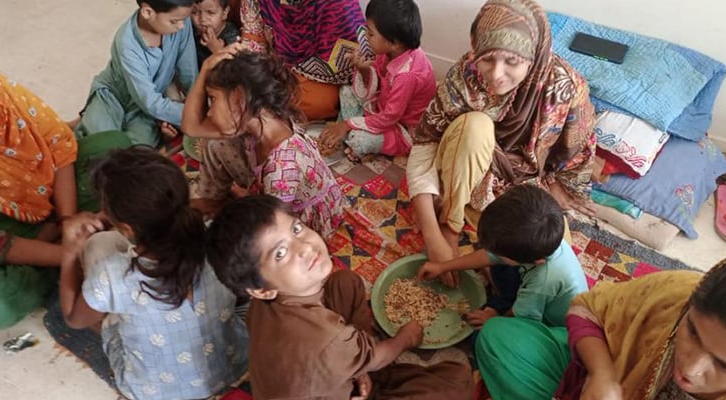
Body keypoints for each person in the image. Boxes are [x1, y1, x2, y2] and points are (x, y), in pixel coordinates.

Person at [206, 195, 473, 399]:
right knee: (456, 380)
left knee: (345, 283)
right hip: (338, 382)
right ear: (262, 288)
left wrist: (358, 366)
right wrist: (406, 338)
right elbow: (371, 353)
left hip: (324, 362)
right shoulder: (327, 339)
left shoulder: (258, 306)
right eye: (280, 253)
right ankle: (362, 360)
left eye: (296, 229)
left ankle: (359, 361)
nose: (305, 247)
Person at [474, 256, 726, 400]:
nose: (690, 368)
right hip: (603, 385)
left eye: (723, 365)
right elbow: (588, 309)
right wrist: (602, 374)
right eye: (692, 332)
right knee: (500, 340)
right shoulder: (677, 293)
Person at [406, 0, 596, 264]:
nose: (496, 75)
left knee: (551, 254)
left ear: (533, 57)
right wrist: (434, 236)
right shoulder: (466, 75)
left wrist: (555, 183)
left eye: (512, 61)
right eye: (488, 59)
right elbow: (424, 147)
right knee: (475, 126)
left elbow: (576, 153)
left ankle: (480, 225)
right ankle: (452, 224)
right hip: (462, 169)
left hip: (523, 184)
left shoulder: (565, 89)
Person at [58, 148, 248, 400]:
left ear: (126, 228)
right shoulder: (218, 239)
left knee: (99, 245)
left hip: (155, 391)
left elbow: (74, 319)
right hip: (235, 367)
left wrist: (70, 252)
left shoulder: (113, 276)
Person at [0, 52, 131, 333]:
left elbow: (59, 146)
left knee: (115, 145)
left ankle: (53, 248)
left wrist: (67, 222)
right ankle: (48, 268)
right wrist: (72, 254)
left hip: (40, 192)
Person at [182, 48, 346, 238]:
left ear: (238, 98)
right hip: (271, 196)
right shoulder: (258, 118)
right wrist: (205, 69)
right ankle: (216, 200)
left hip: (300, 222)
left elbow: (275, 233)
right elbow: (191, 127)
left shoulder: (281, 168)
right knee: (216, 143)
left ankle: (237, 200)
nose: (209, 112)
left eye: (213, 99)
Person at [417, 184, 587, 328]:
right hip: (532, 288)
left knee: (484, 336)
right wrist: (443, 266)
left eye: (499, 254)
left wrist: (494, 320)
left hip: (548, 324)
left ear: (535, 261)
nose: (491, 254)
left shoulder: (543, 281)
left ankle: (501, 304)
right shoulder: (540, 243)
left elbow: (522, 318)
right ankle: (503, 298)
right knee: (498, 264)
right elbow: (490, 256)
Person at [317, 0, 436, 160]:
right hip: (381, 108)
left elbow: (389, 118)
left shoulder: (407, 75)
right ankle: (346, 131)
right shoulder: (389, 52)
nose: (365, 36)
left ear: (394, 43)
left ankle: (349, 132)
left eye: (371, 34)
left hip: (400, 127)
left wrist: (347, 124)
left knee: (359, 140)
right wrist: (364, 71)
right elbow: (378, 85)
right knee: (346, 90)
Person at [73, 0, 199, 147]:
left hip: (143, 109)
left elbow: (189, 71)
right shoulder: (127, 44)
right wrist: (192, 115)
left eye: (184, 20)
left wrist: (197, 105)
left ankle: (86, 121)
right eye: (175, 21)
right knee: (102, 145)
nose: (181, 26)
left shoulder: (181, 22)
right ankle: (84, 121)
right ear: (147, 12)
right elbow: (149, 102)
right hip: (112, 97)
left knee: (140, 150)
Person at [237, 0, 367, 121]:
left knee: (317, 104)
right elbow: (253, 40)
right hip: (273, 67)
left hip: (319, 79)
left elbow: (353, 61)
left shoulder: (337, 4)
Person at [191, 0, 240, 68]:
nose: (202, 19)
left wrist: (217, 49)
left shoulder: (232, 36)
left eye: (210, 12)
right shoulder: (190, 31)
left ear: (224, 13)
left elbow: (234, 70)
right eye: (195, 12)